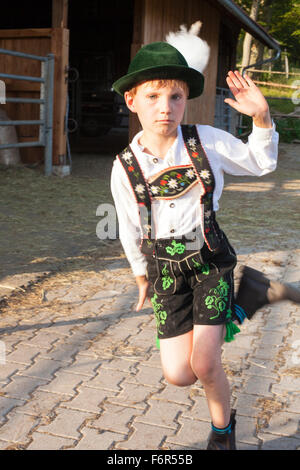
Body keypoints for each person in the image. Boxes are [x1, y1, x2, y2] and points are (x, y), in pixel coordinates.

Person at [110, 24, 300, 450]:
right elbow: (128, 223)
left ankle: (222, 433)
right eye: (154, 96)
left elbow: (260, 164)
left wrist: (261, 117)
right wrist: (140, 274)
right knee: (179, 374)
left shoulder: (206, 141)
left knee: (205, 362)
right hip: (165, 271)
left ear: (185, 100)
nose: (166, 107)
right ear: (132, 99)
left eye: (175, 96)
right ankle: (251, 296)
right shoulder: (124, 164)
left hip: (210, 260)